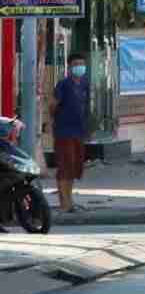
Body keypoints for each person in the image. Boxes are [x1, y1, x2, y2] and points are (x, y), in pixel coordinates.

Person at [52, 53, 91, 213]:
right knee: (65, 166)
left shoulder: (84, 83)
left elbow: (85, 106)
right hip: (64, 131)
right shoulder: (63, 84)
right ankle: (64, 202)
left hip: (79, 131)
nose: (79, 67)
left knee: (75, 167)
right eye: (76, 64)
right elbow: (53, 104)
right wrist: (55, 121)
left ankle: (70, 200)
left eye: (82, 64)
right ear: (69, 67)